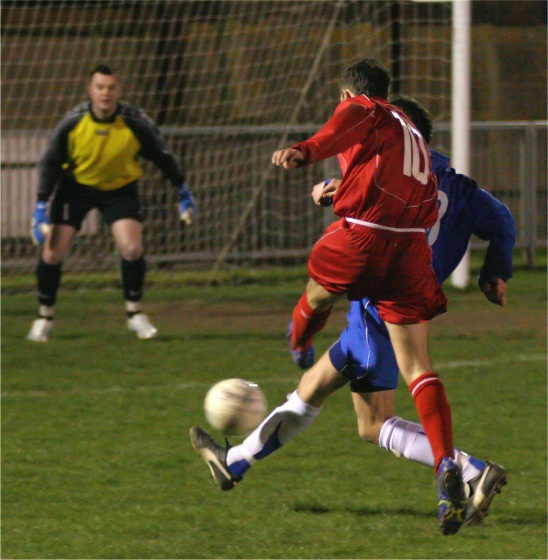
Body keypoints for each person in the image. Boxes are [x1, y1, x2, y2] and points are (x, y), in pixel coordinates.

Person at [190, 72, 508, 536]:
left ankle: (470, 469)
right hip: (407, 287)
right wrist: (495, 270)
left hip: (377, 297)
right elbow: (500, 219)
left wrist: (312, 162)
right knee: (315, 386)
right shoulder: (452, 182)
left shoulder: (376, 127)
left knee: (372, 421)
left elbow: (352, 163)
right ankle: (234, 462)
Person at [27, 64, 195, 342]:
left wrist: (182, 189)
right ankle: (44, 316)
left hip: (120, 189)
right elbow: (51, 163)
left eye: (111, 87)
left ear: (119, 90)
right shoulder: (73, 122)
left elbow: (162, 156)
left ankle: (135, 314)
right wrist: (41, 206)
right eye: (100, 87)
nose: (106, 93)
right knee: (52, 253)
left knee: (132, 248)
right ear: (90, 90)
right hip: (76, 187)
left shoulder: (135, 122)